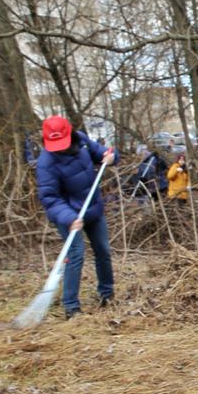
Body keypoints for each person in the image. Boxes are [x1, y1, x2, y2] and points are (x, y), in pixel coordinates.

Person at [36, 115, 118, 319]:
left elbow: (102, 153)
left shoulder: (80, 140)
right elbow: (50, 198)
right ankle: (71, 306)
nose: (60, 148)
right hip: (68, 215)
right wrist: (69, 217)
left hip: (93, 208)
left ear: (70, 133)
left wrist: (110, 157)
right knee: (76, 254)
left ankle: (106, 294)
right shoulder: (46, 163)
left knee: (103, 250)